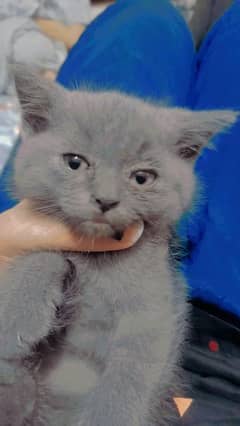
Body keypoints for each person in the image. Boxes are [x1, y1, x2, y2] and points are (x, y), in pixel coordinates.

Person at [1, 0, 240, 423]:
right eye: (78, 165)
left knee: (143, 20)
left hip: (30, 242)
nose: (105, 195)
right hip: (226, 359)